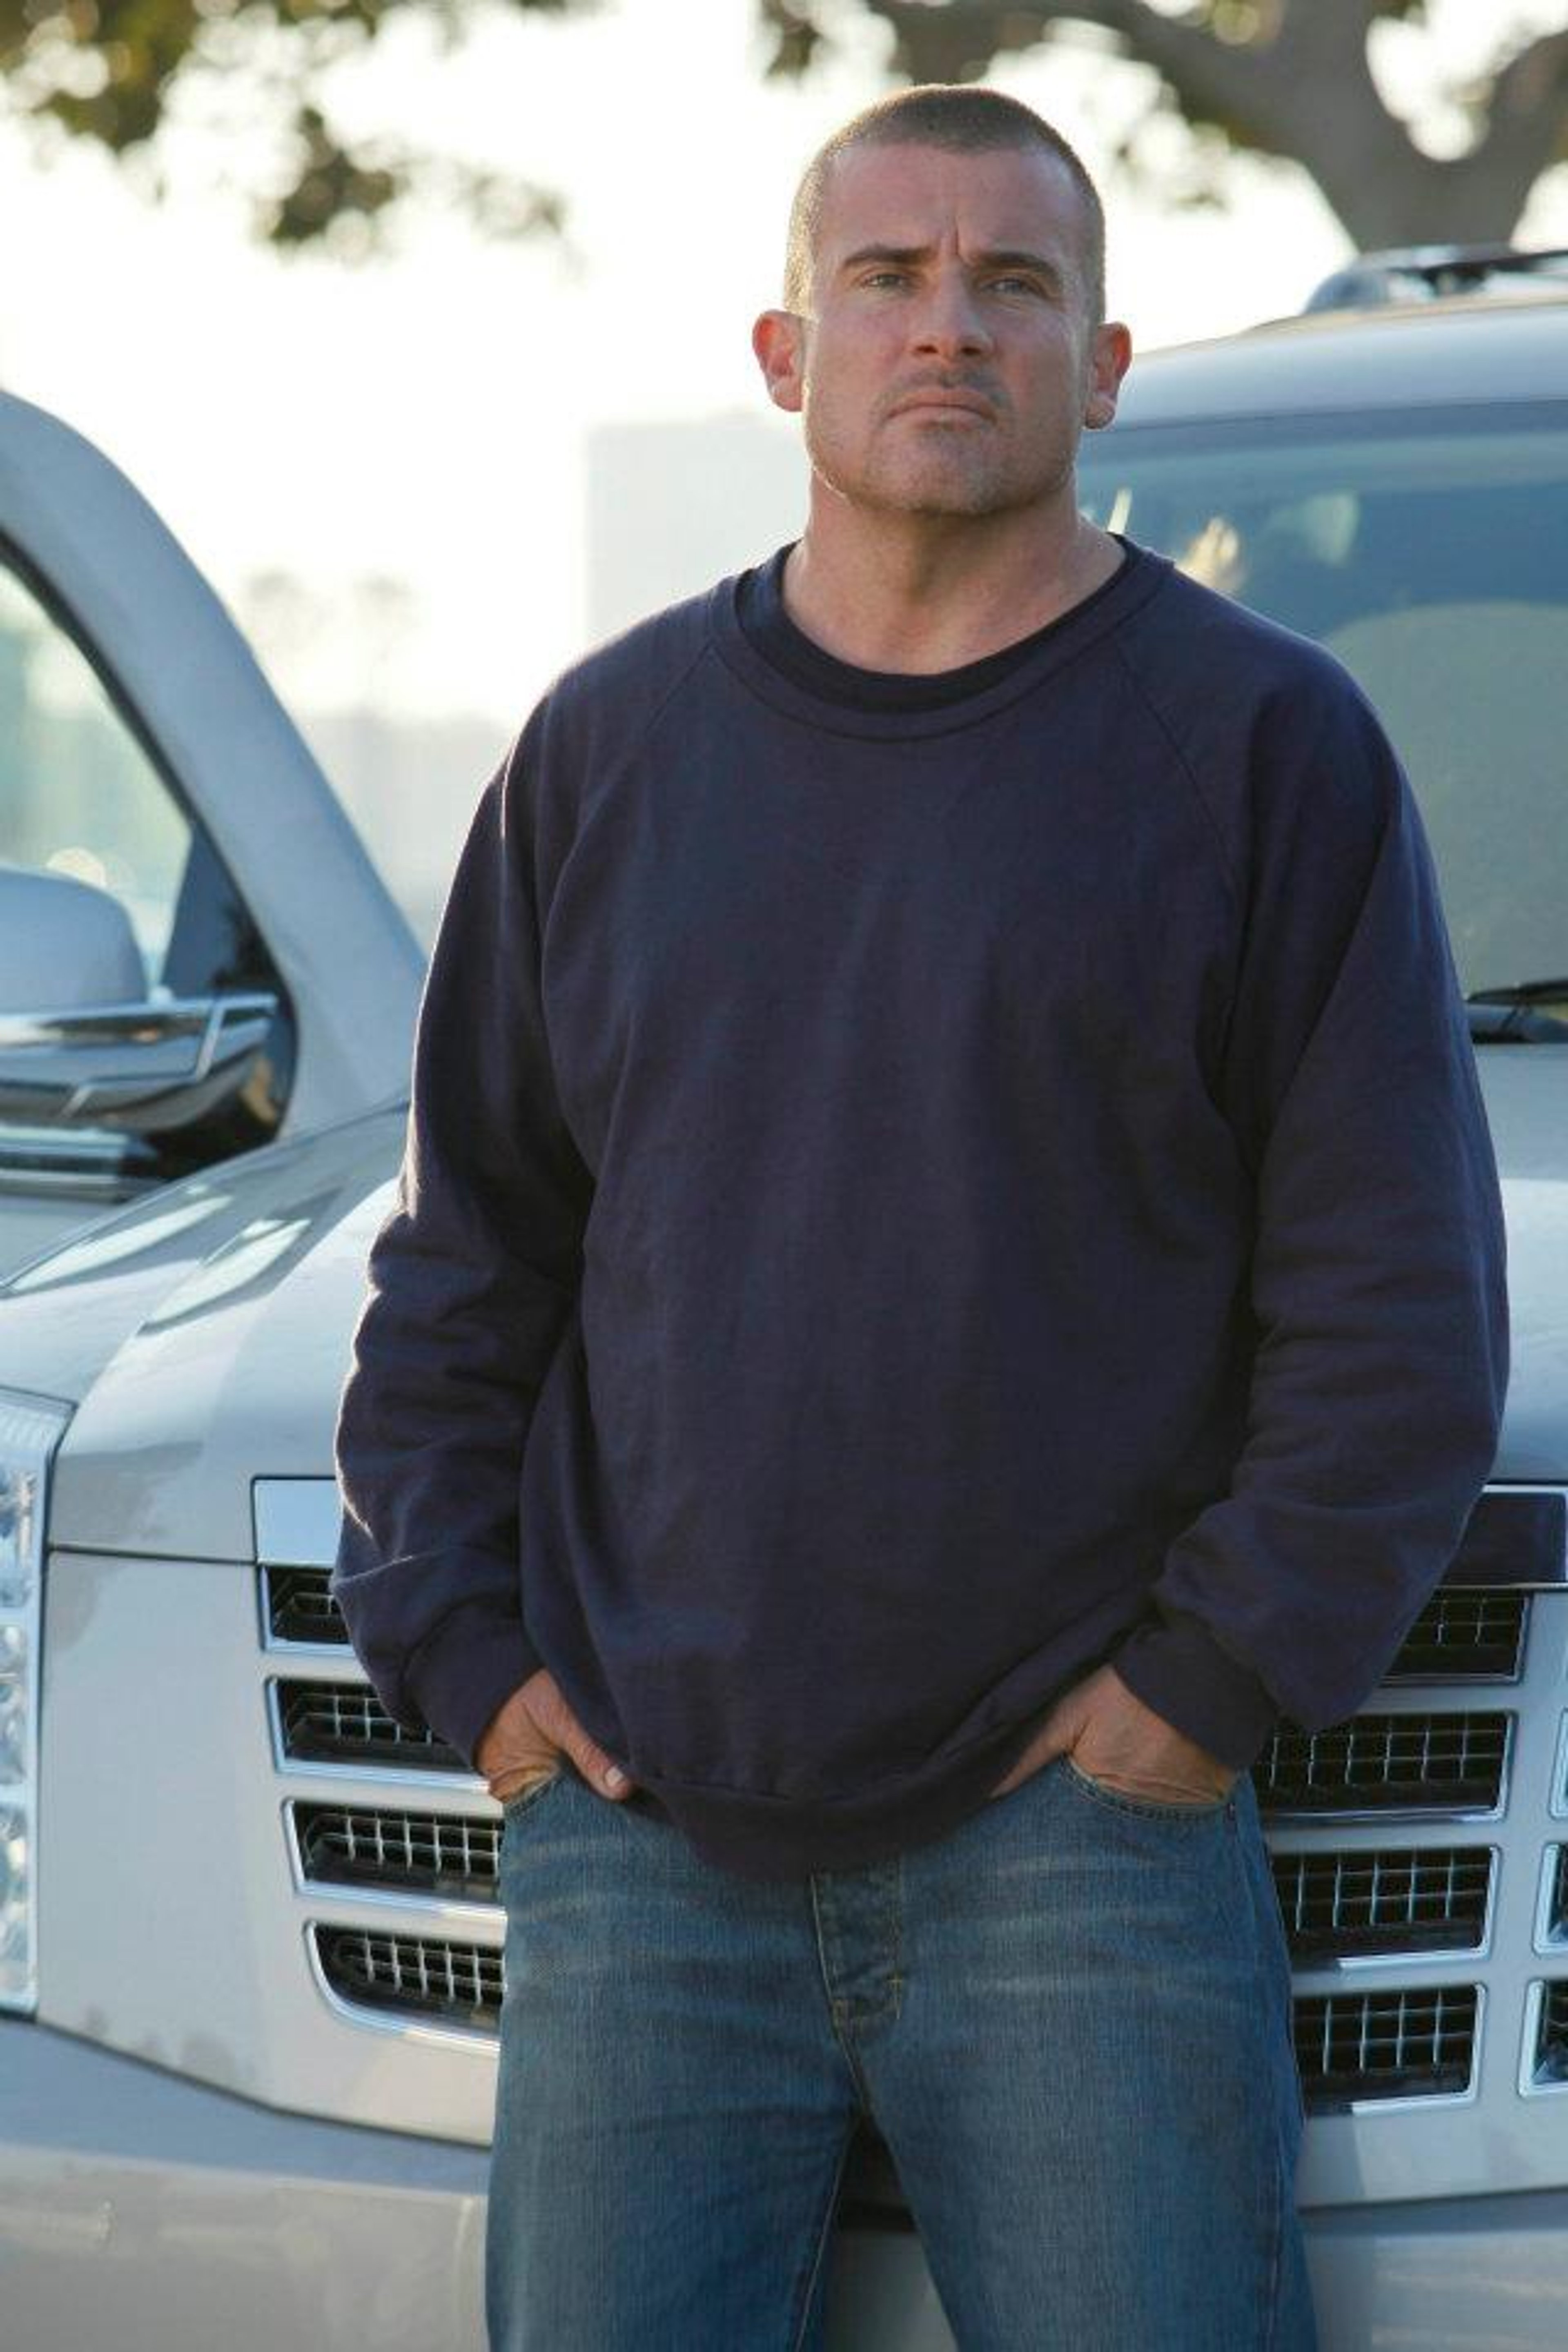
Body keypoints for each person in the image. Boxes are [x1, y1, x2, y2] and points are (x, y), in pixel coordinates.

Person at [332, 84, 1508, 2352]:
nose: (947, 327)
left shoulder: (1267, 754)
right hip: (644, 1861)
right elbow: (465, 1262)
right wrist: (468, 1667)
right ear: (787, 355)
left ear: (1105, 363)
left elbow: (1399, 1314)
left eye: (1013, 284)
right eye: (888, 277)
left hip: (1084, 1860)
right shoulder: (604, 755)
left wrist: (1203, 1690)